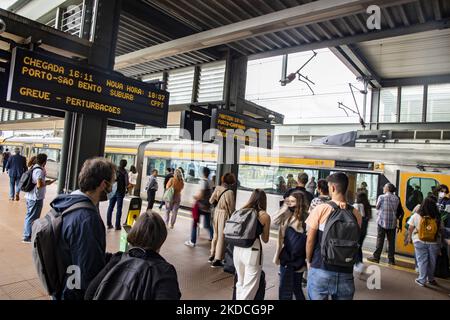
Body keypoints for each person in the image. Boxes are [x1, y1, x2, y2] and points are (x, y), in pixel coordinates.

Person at [50, 157, 116, 300]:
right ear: (104, 184)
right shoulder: (87, 219)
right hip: (73, 293)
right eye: (112, 183)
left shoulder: (67, 202)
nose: (112, 188)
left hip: (61, 285)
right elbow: (89, 270)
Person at [85, 211, 181, 300]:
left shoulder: (117, 259)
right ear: (161, 239)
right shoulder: (164, 271)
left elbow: (90, 294)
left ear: (134, 233)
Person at [306, 172, 362, 300]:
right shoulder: (356, 213)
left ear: (332, 188)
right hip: (346, 273)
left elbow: (310, 240)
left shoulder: (321, 209)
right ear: (346, 188)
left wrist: (309, 261)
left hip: (321, 268)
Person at [234, 189, 271, 300]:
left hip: (237, 248)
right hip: (252, 250)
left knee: (240, 282)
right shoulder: (264, 216)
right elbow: (265, 239)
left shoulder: (241, 210)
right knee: (250, 287)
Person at [273, 191, 308, 300]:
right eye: (289, 201)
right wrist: (284, 207)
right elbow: (274, 221)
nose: (290, 204)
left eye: (293, 201)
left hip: (298, 257)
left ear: (299, 202)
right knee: (290, 287)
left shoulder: (306, 216)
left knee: (293, 287)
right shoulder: (286, 213)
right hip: (287, 255)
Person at [407, 196, 441, 287]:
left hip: (419, 240)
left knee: (422, 261)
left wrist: (409, 238)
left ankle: (422, 280)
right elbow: (440, 230)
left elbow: (410, 228)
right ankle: (431, 279)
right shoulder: (437, 216)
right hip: (433, 242)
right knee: (432, 261)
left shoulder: (416, 215)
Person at [22, 154, 55, 243]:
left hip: (32, 197)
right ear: (44, 162)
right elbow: (39, 184)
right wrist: (47, 183)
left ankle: (28, 234)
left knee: (30, 216)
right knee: (32, 217)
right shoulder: (38, 171)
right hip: (35, 198)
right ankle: (27, 236)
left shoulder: (34, 168)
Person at [367, 183, 400, 265]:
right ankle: (391, 260)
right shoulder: (396, 198)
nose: (383, 188)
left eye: (384, 187)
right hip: (392, 223)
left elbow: (377, 207)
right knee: (391, 242)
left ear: (388, 189)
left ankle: (376, 257)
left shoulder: (381, 197)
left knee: (380, 240)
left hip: (382, 221)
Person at [209, 173, 236, 268]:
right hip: (223, 214)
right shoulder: (230, 192)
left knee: (215, 235)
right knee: (221, 237)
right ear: (231, 182)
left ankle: (212, 255)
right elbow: (231, 208)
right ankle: (218, 259)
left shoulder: (217, 188)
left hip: (216, 212)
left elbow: (211, 201)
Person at [185, 167, 213, 247]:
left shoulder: (203, 182)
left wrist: (195, 197)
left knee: (194, 223)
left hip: (200, 206)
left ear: (203, 173)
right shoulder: (211, 182)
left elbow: (201, 195)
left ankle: (192, 241)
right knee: (207, 225)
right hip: (207, 207)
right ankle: (213, 237)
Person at [106, 159, 129, 231]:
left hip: (113, 191)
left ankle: (109, 224)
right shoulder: (125, 172)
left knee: (110, 207)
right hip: (120, 192)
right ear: (125, 165)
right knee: (119, 208)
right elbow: (127, 183)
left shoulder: (114, 170)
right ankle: (117, 225)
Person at [353, 191, 372, 274]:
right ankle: (359, 263)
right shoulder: (367, 206)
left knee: (354, 247)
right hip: (363, 231)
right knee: (359, 247)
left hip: (356, 230)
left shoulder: (357, 205)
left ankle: (358, 264)